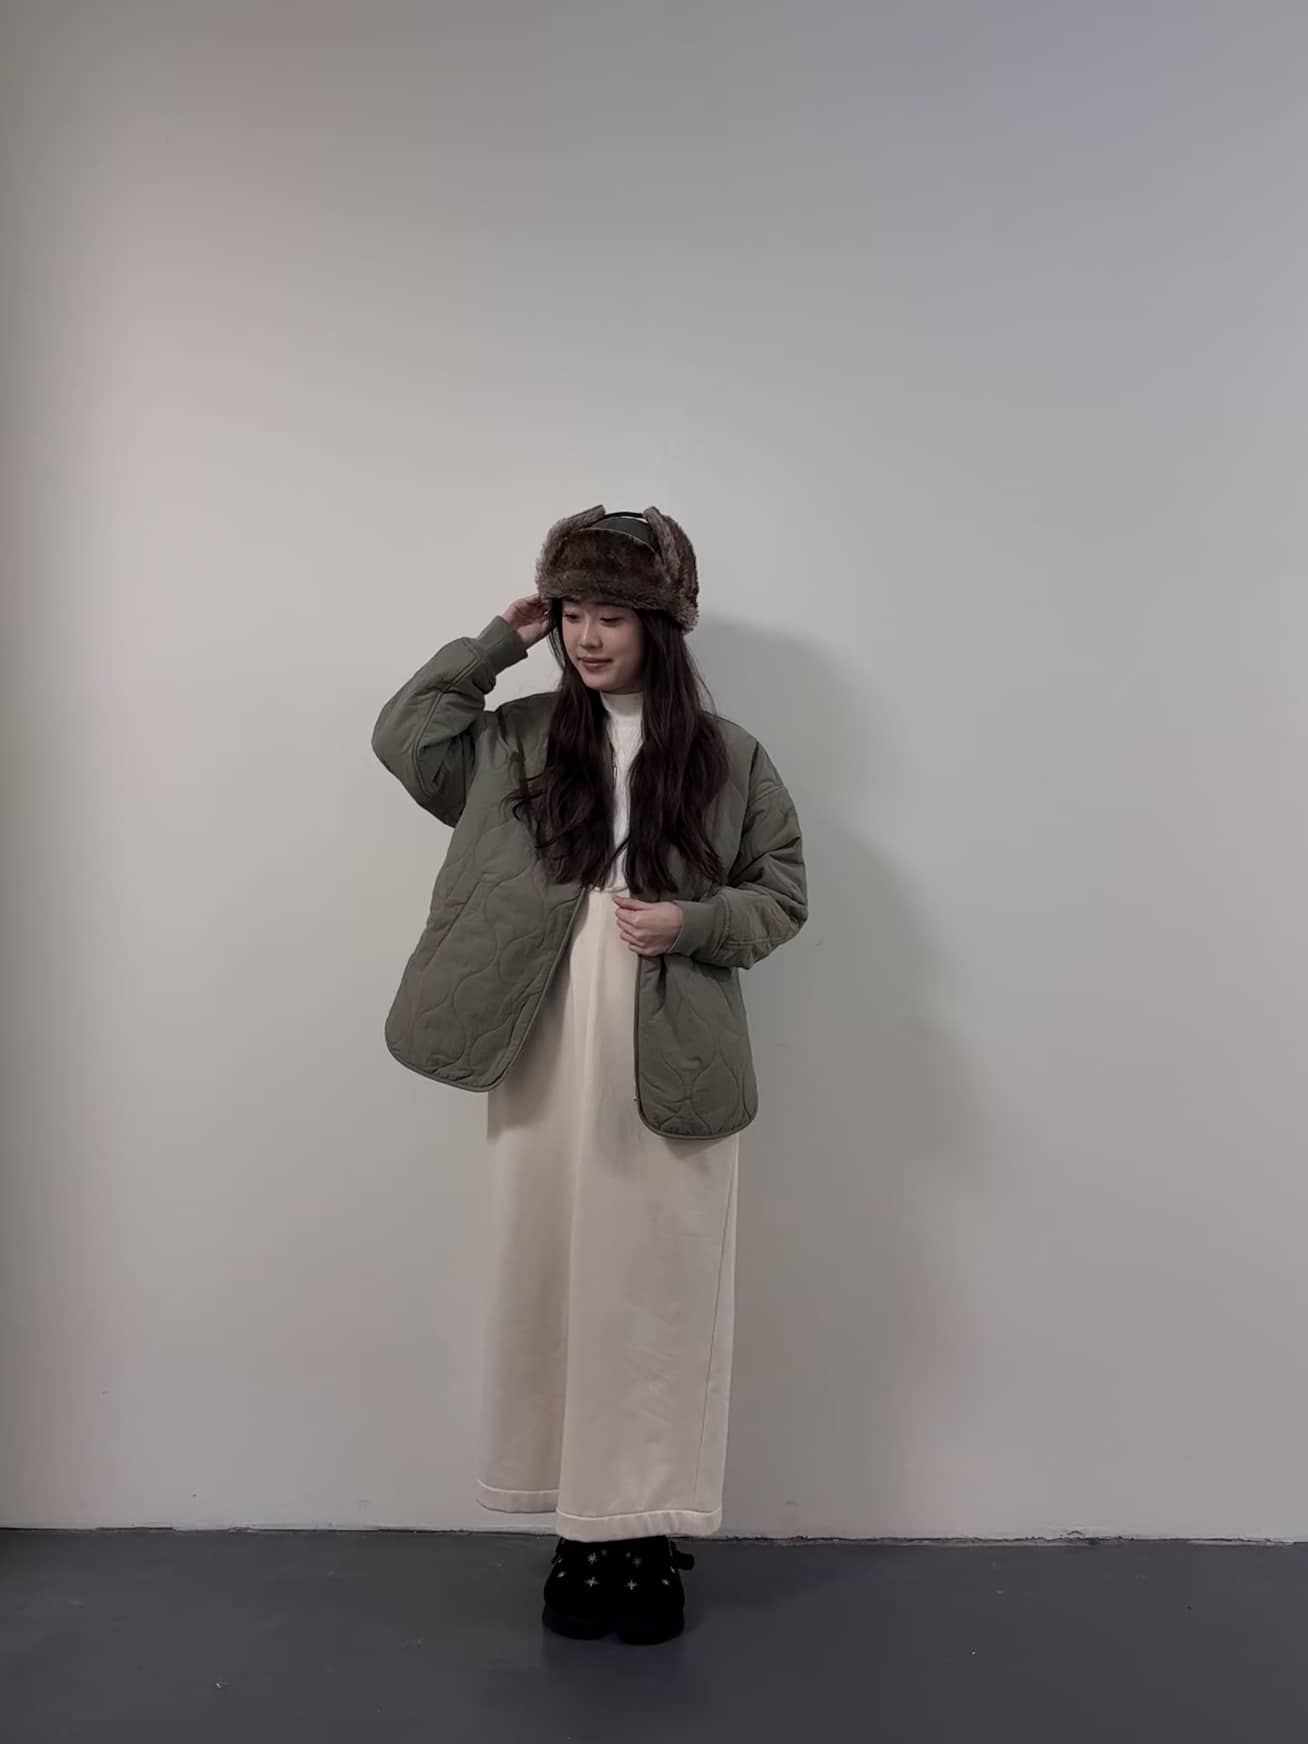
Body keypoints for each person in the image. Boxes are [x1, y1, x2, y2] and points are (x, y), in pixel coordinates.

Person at [370, 503, 807, 1644]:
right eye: (572, 612)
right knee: (548, 1270)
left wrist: (692, 923)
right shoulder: (513, 739)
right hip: (542, 1035)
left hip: (670, 1042)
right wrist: (496, 640)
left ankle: (645, 1529)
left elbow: (781, 894)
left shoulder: (727, 756)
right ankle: (576, 1530)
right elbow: (406, 737)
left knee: (659, 1286)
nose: (587, 635)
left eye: (612, 613)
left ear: (663, 624)